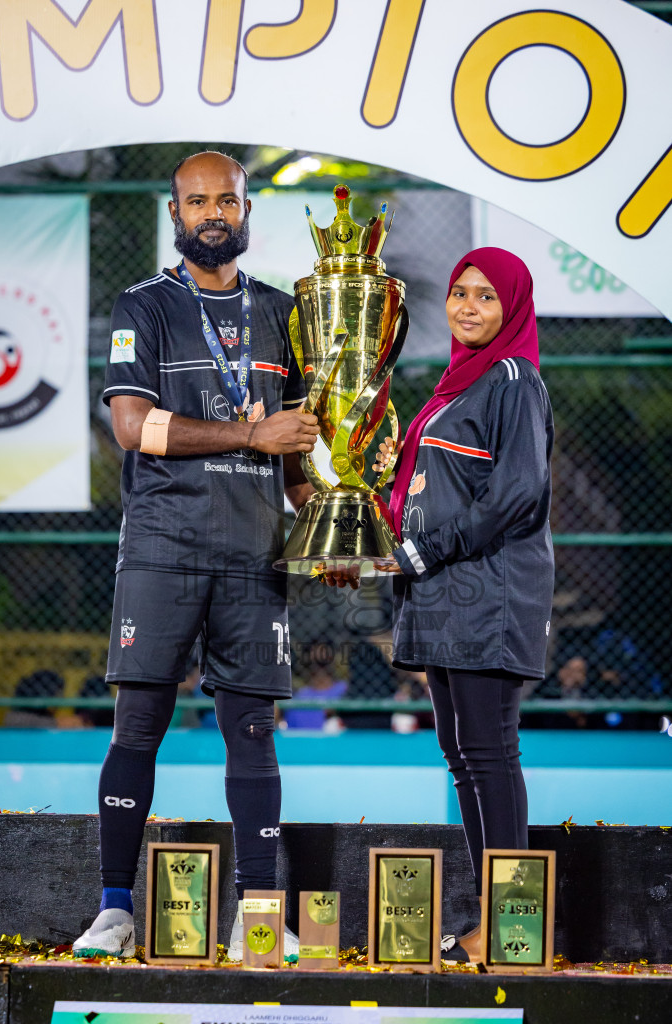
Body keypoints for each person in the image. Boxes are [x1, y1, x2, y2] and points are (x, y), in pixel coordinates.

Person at [72, 151, 318, 961]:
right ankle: (114, 908)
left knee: (253, 732)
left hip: (255, 556)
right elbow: (135, 428)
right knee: (137, 723)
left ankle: (260, 913)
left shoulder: (286, 315)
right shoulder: (141, 307)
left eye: (228, 199)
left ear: (247, 211)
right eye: (198, 201)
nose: (213, 212)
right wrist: (251, 431)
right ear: (174, 214)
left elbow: (294, 460)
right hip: (163, 549)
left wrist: (337, 525)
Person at [331, 247, 554, 962]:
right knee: (462, 755)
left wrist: (420, 553)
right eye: (460, 292)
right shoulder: (457, 386)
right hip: (441, 595)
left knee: (489, 753)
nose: (467, 306)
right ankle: (496, 919)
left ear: (512, 305)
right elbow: (438, 493)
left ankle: (515, 929)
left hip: (486, 591)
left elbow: (517, 496)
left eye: (486, 297)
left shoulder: (514, 381)